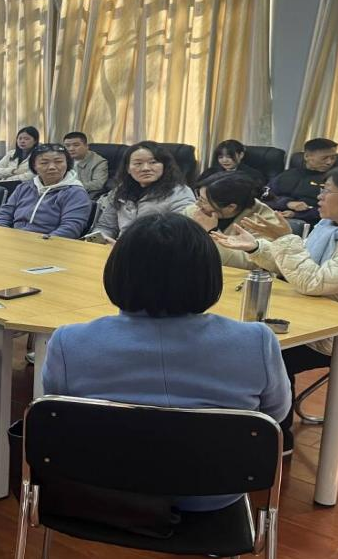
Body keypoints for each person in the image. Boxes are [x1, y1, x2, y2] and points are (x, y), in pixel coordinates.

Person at [44, 213, 289, 511]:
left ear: (118, 271)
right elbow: (273, 416)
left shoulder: (69, 341)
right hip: (214, 491)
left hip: (101, 485)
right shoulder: (256, 340)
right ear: (209, 275)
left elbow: (58, 412)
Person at [212, 162, 338, 450]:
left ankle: (276, 440)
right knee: (253, 344)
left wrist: (283, 239)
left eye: (327, 190)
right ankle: (251, 423)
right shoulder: (333, 228)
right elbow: (299, 267)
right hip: (330, 320)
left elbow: (313, 281)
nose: (319, 196)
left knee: (266, 353)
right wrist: (256, 247)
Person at [90, 141, 195, 241]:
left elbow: (180, 234)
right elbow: (106, 227)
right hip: (119, 248)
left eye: (153, 162)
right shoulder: (121, 191)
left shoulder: (180, 193)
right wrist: (100, 240)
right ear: (128, 169)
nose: (145, 168)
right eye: (138, 163)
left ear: (164, 165)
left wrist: (126, 247)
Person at [0, 143, 91, 238]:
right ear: (34, 166)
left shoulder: (75, 192)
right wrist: (2, 233)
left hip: (50, 243)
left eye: (58, 162)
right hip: (14, 239)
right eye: (44, 163)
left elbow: (71, 229)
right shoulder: (24, 187)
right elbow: (5, 214)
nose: (52, 167)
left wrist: (43, 241)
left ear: (67, 163)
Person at [187, 171, 283, 269]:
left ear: (231, 207)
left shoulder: (265, 222)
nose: (197, 204)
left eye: (204, 201)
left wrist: (212, 232)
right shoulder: (195, 211)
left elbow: (250, 263)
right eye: (199, 198)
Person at [264, 138, 338, 225]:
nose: (329, 162)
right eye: (324, 158)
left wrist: (296, 214)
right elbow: (264, 196)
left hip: (309, 222)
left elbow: (334, 209)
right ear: (307, 156)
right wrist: (287, 203)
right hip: (277, 215)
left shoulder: (334, 180)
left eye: (333, 158)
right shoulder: (287, 175)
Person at [62, 131, 109, 198]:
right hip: (62, 192)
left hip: (82, 194)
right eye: (67, 146)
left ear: (86, 146)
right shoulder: (62, 159)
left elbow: (98, 183)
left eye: (76, 145)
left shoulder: (99, 162)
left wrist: (72, 187)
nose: (71, 149)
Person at [196, 139, 265, 185]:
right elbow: (198, 187)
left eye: (229, 157)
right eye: (220, 157)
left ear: (241, 155)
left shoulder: (253, 175)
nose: (224, 160)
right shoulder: (211, 172)